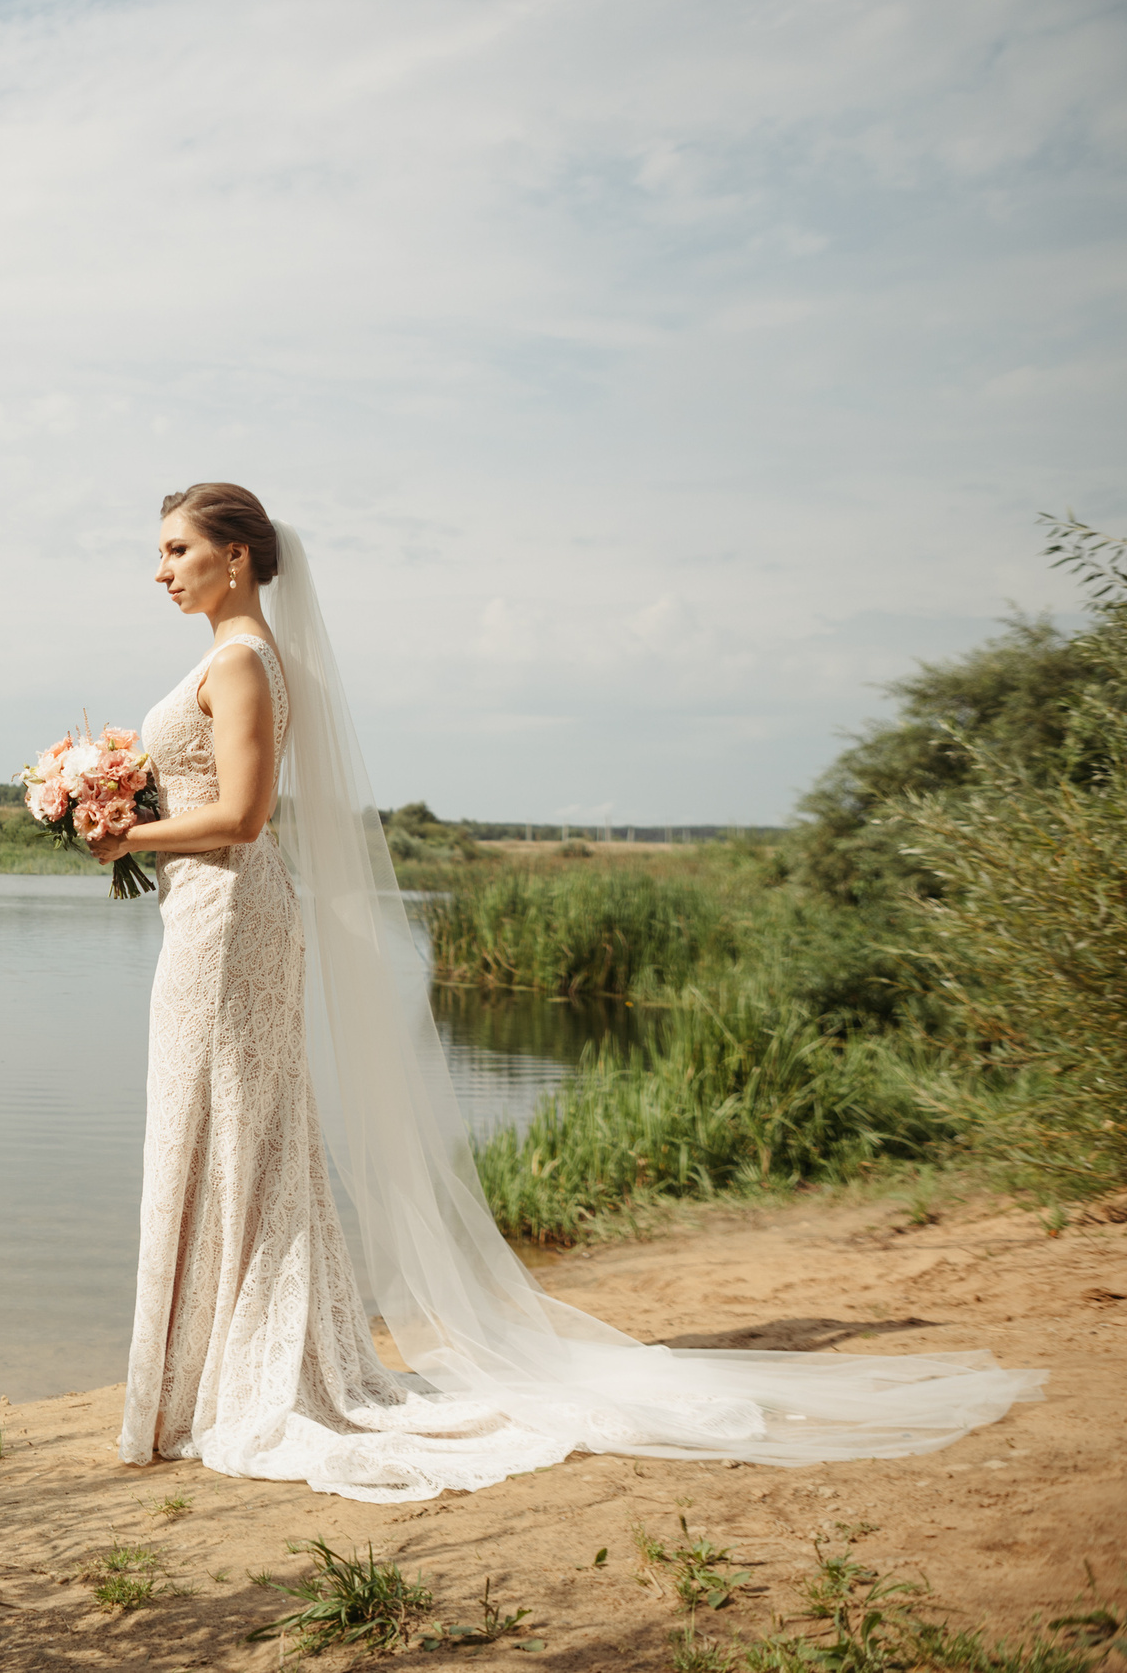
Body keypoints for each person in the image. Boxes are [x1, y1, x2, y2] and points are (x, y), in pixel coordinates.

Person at [89, 482, 1044, 1504]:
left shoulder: (242, 660)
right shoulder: (236, 655)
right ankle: (217, 1370)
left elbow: (243, 817)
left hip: (232, 917)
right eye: (162, 551)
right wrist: (110, 800)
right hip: (210, 912)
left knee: (230, 1124)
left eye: (177, 549)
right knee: (228, 1124)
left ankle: (234, 1376)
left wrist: (124, 832)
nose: (161, 569)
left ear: (235, 556)